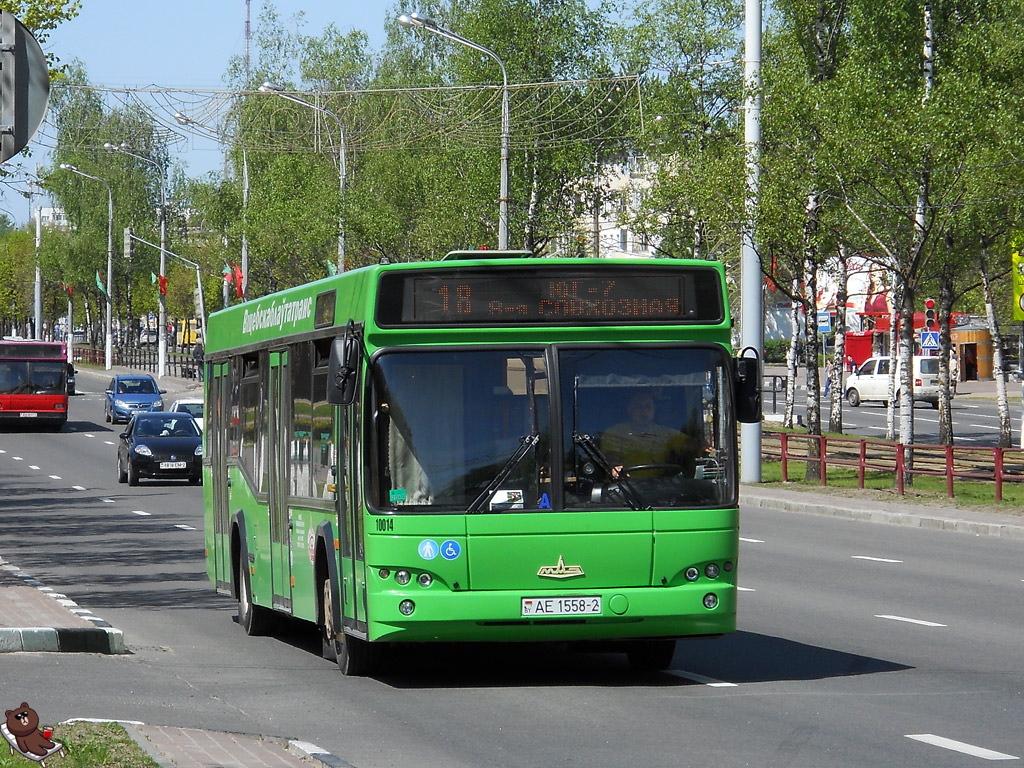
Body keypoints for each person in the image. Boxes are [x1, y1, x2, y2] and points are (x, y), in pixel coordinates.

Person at [600, 390, 701, 478]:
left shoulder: (666, 433)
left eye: (648, 406)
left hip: (658, 490)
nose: (644, 411)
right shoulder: (614, 432)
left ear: (654, 409)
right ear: (629, 409)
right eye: (638, 407)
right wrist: (615, 466)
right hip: (623, 489)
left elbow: (687, 444)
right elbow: (611, 456)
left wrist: (701, 446)